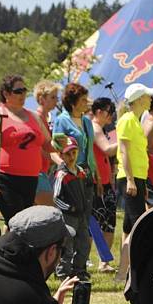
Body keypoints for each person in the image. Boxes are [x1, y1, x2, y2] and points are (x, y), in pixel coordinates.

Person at [0, 75, 52, 223]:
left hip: (32, 179)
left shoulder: (33, 116)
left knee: (24, 224)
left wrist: (63, 144)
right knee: (18, 222)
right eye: (18, 91)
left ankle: (14, 246)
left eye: (24, 90)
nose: (23, 94)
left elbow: (47, 144)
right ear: (6, 94)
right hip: (6, 179)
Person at [53, 83, 100, 224]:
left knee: (86, 218)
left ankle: (82, 246)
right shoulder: (62, 120)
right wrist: (66, 168)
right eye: (83, 100)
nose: (87, 102)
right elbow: (55, 149)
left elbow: (90, 149)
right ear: (73, 103)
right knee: (71, 218)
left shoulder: (87, 121)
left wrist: (97, 173)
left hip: (87, 173)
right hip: (71, 176)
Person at [53, 136, 91, 280]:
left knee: (84, 244)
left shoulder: (81, 172)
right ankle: (63, 272)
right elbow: (56, 198)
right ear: (61, 155)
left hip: (81, 215)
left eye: (74, 153)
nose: (71, 157)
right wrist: (70, 208)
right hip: (68, 216)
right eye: (68, 154)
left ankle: (79, 270)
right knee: (67, 245)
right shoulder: (61, 174)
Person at [117, 83, 153, 236]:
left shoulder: (135, 121)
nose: (151, 99)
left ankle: (125, 260)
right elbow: (124, 151)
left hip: (137, 177)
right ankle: (135, 259)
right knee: (138, 223)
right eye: (147, 96)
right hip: (128, 177)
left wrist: (141, 182)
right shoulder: (127, 120)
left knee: (129, 226)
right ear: (139, 100)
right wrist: (131, 180)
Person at [90, 97, 118, 272]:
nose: (112, 116)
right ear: (99, 111)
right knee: (94, 223)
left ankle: (104, 262)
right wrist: (125, 139)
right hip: (96, 182)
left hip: (106, 182)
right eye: (110, 112)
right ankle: (86, 260)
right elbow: (107, 149)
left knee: (108, 222)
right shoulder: (94, 128)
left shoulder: (102, 128)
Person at [33, 80, 61, 205]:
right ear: (41, 99)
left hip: (42, 170)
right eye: (53, 97)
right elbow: (39, 147)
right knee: (51, 210)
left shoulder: (45, 118)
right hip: (37, 172)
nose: (56, 101)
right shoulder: (36, 118)